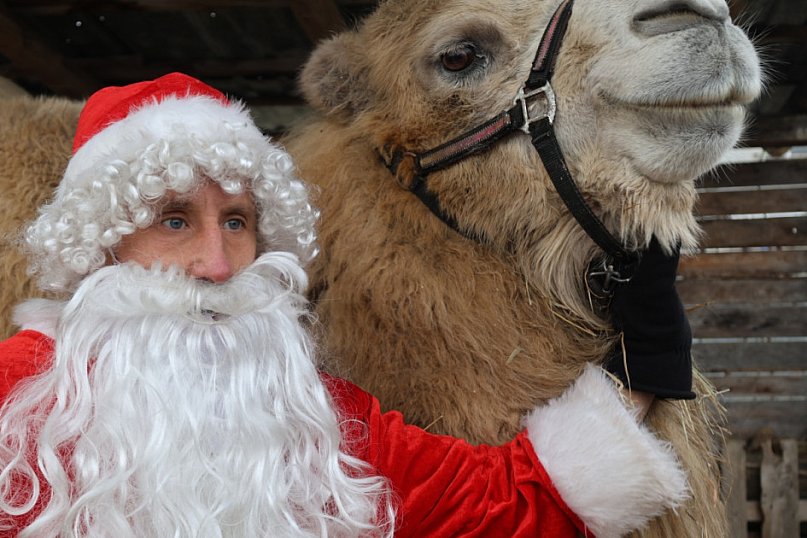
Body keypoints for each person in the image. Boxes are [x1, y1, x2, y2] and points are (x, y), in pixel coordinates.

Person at [0, 73, 689, 537]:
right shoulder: (15, 390)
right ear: (101, 243)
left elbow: (512, 500)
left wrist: (648, 353)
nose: (215, 265)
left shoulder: (315, 415)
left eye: (236, 221)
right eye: (174, 220)